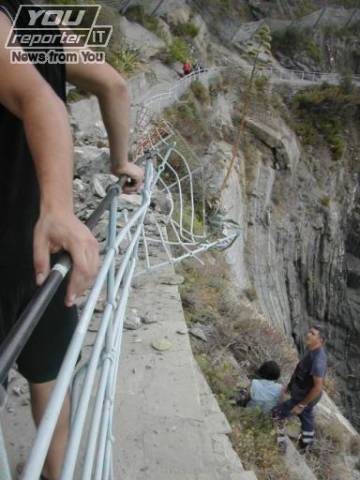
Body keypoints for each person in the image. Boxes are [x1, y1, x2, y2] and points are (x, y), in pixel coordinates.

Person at [0, 1, 144, 479]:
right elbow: (113, 84)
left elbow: (39, 100)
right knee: (50, 381)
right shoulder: (34, 22)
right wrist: (121, 161)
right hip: (42, 257)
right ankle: (54, 472)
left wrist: (60, 208)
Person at [272, 325, 327, 453]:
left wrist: (301, 405)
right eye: (309, 331)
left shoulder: (318, 360)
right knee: (306, 416)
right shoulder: (312, 351)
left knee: (277, 413)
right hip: (301, 394)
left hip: (304, 397)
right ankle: (306, 443)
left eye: (312, 334)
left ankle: (281, 443)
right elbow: (300, 372)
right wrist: (290, 387)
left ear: (321, 340)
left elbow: (318, 388)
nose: (308, 334)